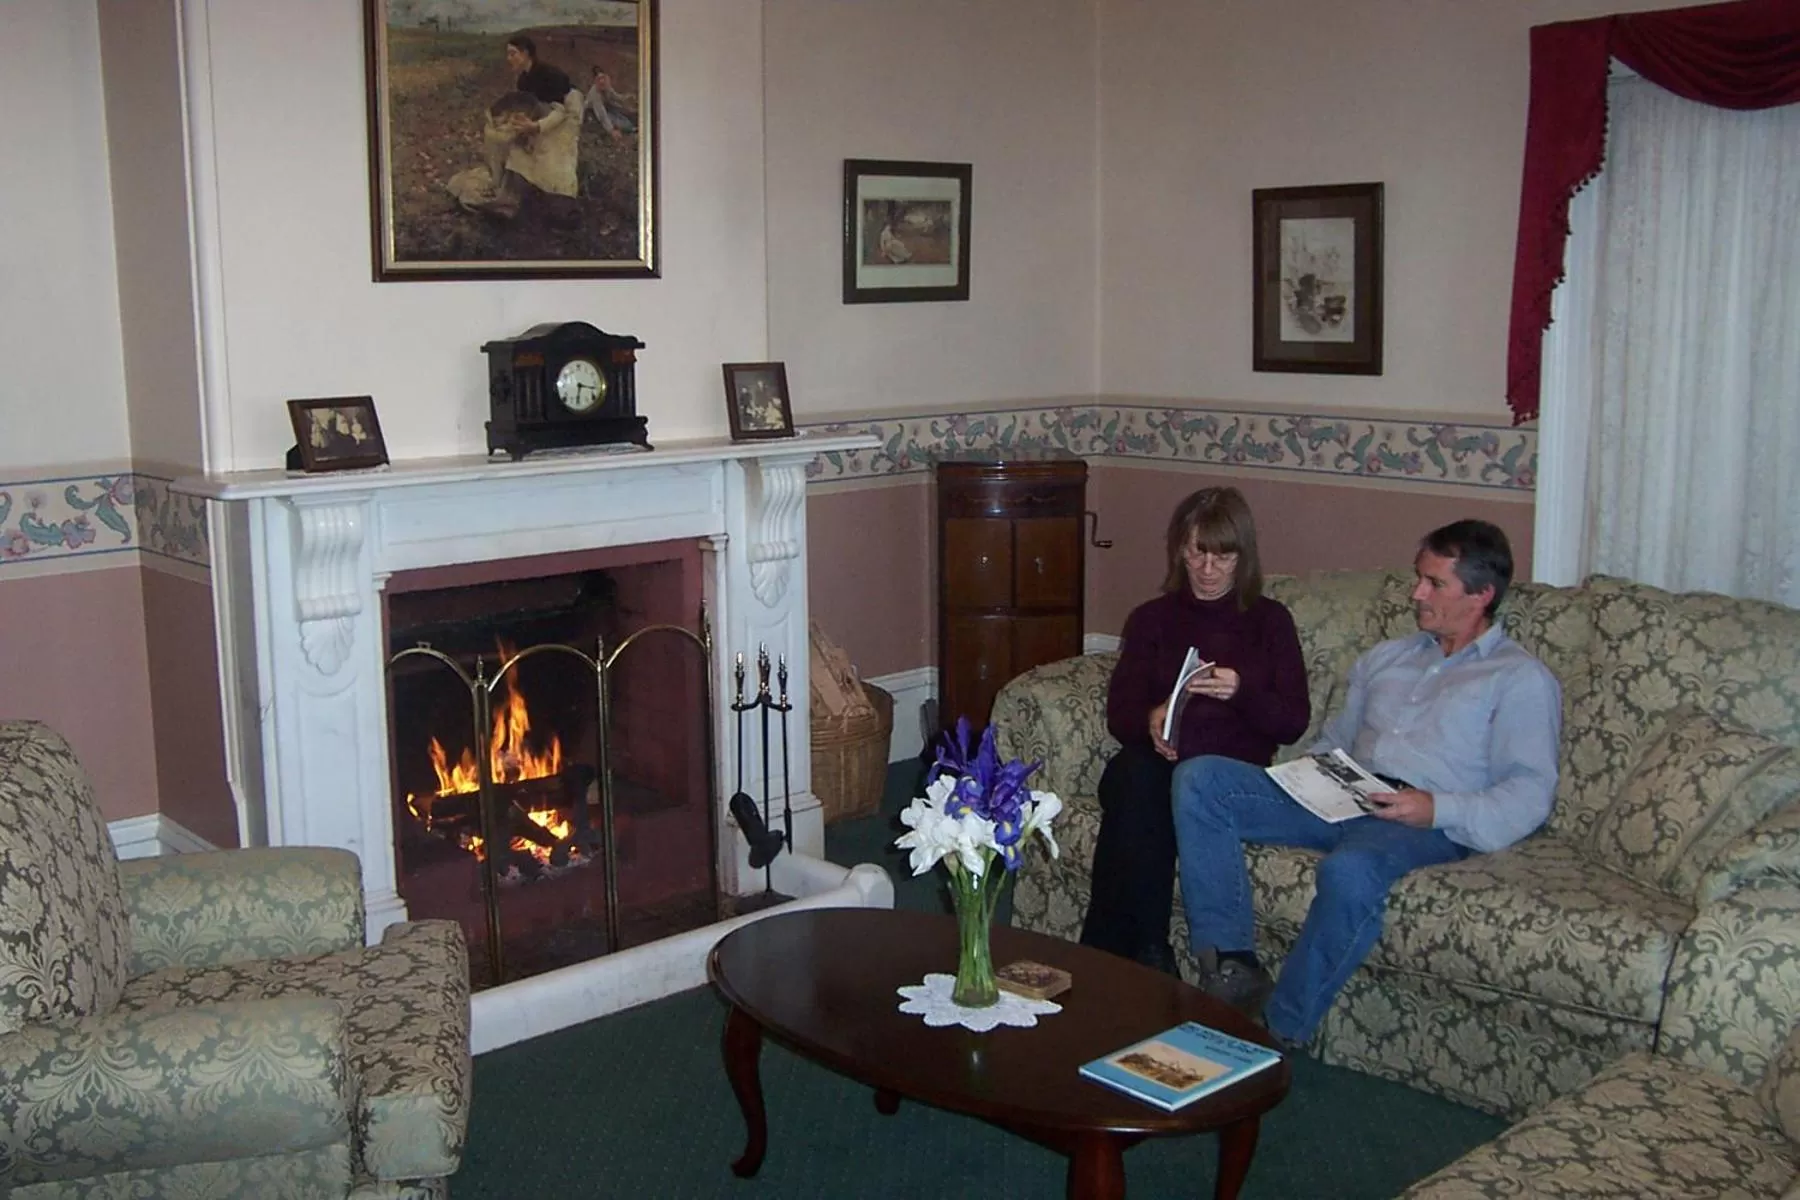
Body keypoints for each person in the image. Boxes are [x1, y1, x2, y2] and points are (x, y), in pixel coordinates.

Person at [1171, 519, 1561, 1049]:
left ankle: (1280, 1031)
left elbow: (1530, 792)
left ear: (1482, 595)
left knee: (1350, 871)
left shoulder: (1519, 678)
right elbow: (1337, 740)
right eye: (1418, 578)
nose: (1416, 593)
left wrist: (1436, 808)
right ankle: (1231, 968)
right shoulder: (1388, 658)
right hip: (1343, 789)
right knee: (1201, 780)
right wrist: (1307, 775)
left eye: (1434, 584)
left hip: (1421, 821)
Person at [1078, 487, 1310, 973]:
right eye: (1196, 552)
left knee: (1142, 796)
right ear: (1179, 550)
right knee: (1135, 776)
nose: (1207, 569)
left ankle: (1118, 954)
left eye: (1222, 557)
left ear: (1243, 557)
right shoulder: (1152, 620)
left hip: (1227, 775)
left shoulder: (1270, 622)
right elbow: (1121, 715)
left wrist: (1241, 691)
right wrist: (1152, 719)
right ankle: (1148, 952)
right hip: (1159, 762)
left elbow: (1292, 723)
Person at [583, 67, 636, 140]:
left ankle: (631, 126)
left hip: (606, 107)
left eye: (603, 78)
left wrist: (627, 97)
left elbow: (616, 97)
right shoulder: (594, 94)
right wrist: (611, 130)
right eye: (599, 79)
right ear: (595, 81)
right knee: (617, 122)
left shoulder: (607, 87)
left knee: (623, 114)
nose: (602, 81)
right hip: (593, 112)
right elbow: (602, 115)